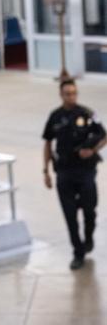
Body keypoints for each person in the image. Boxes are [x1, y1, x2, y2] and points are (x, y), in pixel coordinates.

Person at [42, 79, 106, 270]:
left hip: (86, 171)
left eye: (74, 93)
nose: (72, 96)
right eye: (68, 93)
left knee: (89, 211)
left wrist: (92, 150)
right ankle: (78, 253)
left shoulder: (87, 113)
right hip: (64, 172)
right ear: (61, 94)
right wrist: (45, 171)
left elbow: (104, 135)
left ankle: (88, 238)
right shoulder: (55, 117)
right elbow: (47, 143)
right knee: (70, 216)